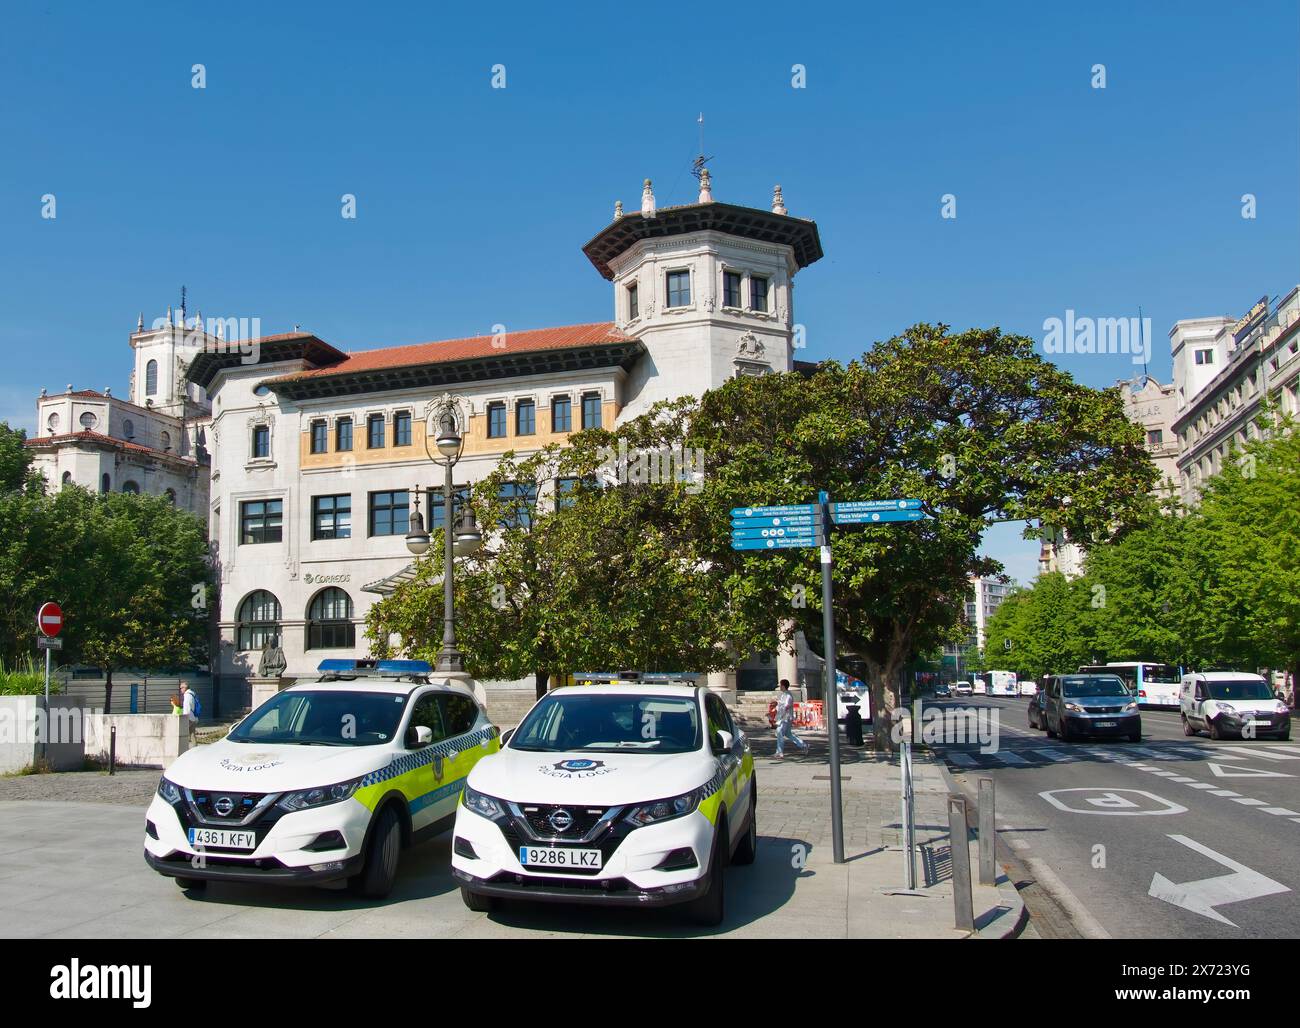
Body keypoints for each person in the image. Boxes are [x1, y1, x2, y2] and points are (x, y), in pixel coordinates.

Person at [774, 679, 808, 758]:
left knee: (779, 733)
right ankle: (803, 745)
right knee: (788, 734)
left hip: (785, 718)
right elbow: (781, 706)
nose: (780, 686)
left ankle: (779, 752)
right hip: (785, 717)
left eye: (780, 685)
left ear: (783, 686)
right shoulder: (784, 695)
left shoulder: (788, 696)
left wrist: (779, 714)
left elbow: (785, 707)